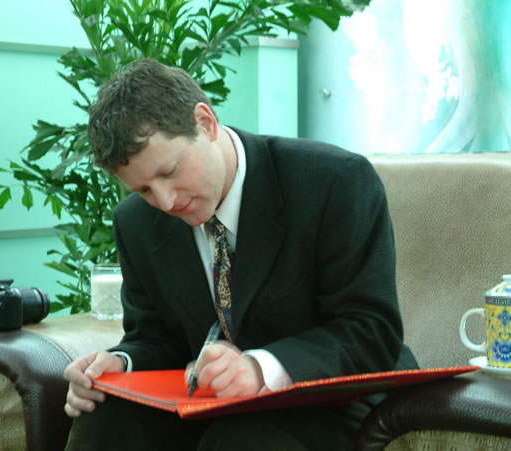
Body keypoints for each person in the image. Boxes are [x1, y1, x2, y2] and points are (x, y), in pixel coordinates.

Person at [63, 58, 417, 450]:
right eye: (144, 190)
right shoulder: (136, 222)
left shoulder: (335, 181)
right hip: (214, 405)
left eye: (169, 172)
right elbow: (156, 339)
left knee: (241, 441)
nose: (165, 202)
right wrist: (120, 365)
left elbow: (371, 329)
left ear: (205, 123)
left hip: (331, 397)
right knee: (104, 416)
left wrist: (260, 367)